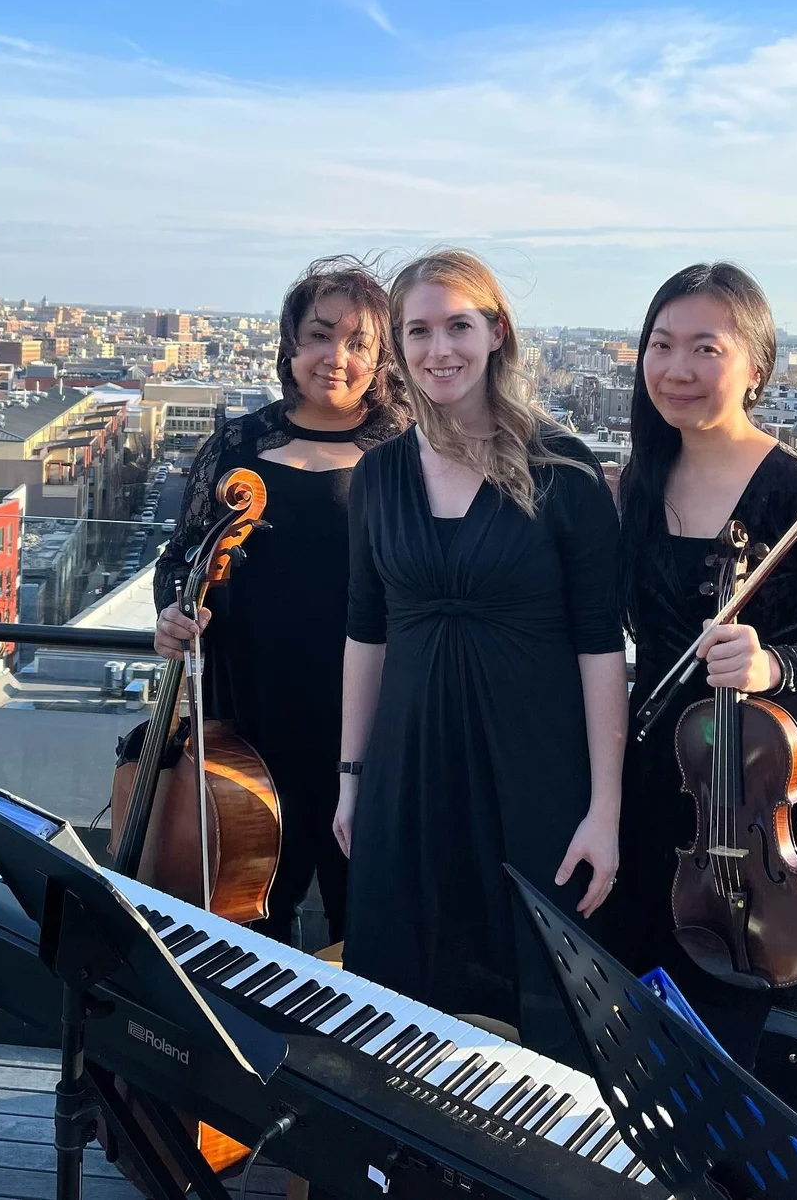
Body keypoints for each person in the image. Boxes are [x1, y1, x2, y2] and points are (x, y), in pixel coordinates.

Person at [335, 249, 627, 1061]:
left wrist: (605, 812)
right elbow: (367, 632)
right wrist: (352, 777)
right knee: (400, 989)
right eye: (418, 331)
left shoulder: (564, 471)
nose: (439, 351)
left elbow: (601, 648)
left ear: (496, 332)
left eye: (458, 326)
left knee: (546, 995)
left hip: (536, 771)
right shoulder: (379, 477)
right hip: (410, 766)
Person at [615, 262, 797, 1067]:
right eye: (660, 345)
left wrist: (774, 665)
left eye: (706, 348)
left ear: (756, 367)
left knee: (755, 1030)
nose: (677, 369)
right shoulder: (640, 478)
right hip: (659, 772)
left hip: (761, 780)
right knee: (650, 1012)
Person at [153, 257, 409, 946]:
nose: (336, 357)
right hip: (252, 715)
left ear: (381, 358)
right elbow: (181, 558)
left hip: (368, 720)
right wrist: (172, 615)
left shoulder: (407, 449)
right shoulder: (238, 441)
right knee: (248, 915)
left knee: (372, 919)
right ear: (290, 342)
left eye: (359, 343)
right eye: (320, 335)